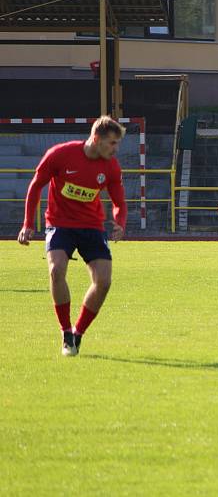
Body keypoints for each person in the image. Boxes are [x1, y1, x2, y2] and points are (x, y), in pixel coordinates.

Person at [17, 116, 128, 357]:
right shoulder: (60, 154)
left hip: (92, 226)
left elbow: (119, 202)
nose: (115, 149)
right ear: (96, 139)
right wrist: (27, 224)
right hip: (60, 224)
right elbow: (36, 186)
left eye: (117, 144)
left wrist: (120, 222)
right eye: (112, 143)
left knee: (104, 282)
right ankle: (66, 333)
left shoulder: (111, 166)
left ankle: (78, 333)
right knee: (56, 271)